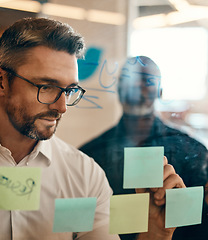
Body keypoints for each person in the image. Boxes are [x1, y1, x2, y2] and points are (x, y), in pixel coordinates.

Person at [0, 19, 185, 240]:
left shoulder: (84, 175)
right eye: (47, 87)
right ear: (1, 81)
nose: (61, 107)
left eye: (70, 90)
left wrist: (155, 234)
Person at [79, 56, 208, 239]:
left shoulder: (193, 152)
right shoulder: (89, 155)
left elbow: (201, 226)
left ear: (160, 91)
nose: (137, 86)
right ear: (119, 89)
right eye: (129, 78)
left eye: (147, 80)